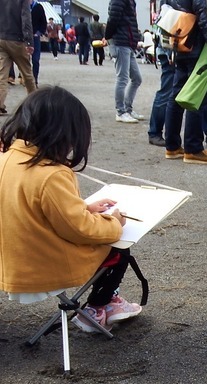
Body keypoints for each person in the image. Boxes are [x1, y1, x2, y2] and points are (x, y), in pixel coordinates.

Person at [0, 87, 142, 332]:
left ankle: (101, 304)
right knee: (118, 246)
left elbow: (26, 206)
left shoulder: (7, 158)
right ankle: (99, 306)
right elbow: (80, 229)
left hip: (11, 260)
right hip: (41, 266)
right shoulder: (51, 174)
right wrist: (114, 222)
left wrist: (84, 207)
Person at [162, 0, 207, 164]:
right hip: (196, 46)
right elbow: (204, 17)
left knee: (176, 96)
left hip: (179, 44)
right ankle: (193, 148)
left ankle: (172, 146)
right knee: (197, 95)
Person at [105, 0, 144, 124]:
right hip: (121, 42)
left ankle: (127, 109)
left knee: (137, 78)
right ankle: (121, 111)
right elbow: (113, 19)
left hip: (128, 42)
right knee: (122, 78)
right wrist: (108, 37)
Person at [0, 0, 37, 116]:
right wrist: (29, 42)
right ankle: (35, 102)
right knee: (27, 73)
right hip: (17, 40)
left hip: (1, 38)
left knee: (2, 74)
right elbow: (26, 19)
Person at [29, 0, 47, 86]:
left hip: (35, 37)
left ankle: (34, 78)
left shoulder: (38, 7)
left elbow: (43, 22)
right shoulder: (22, 6)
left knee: (35, 60)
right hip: (24, 37)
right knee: (24, 60)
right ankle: (25, 79)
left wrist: (39, 33)